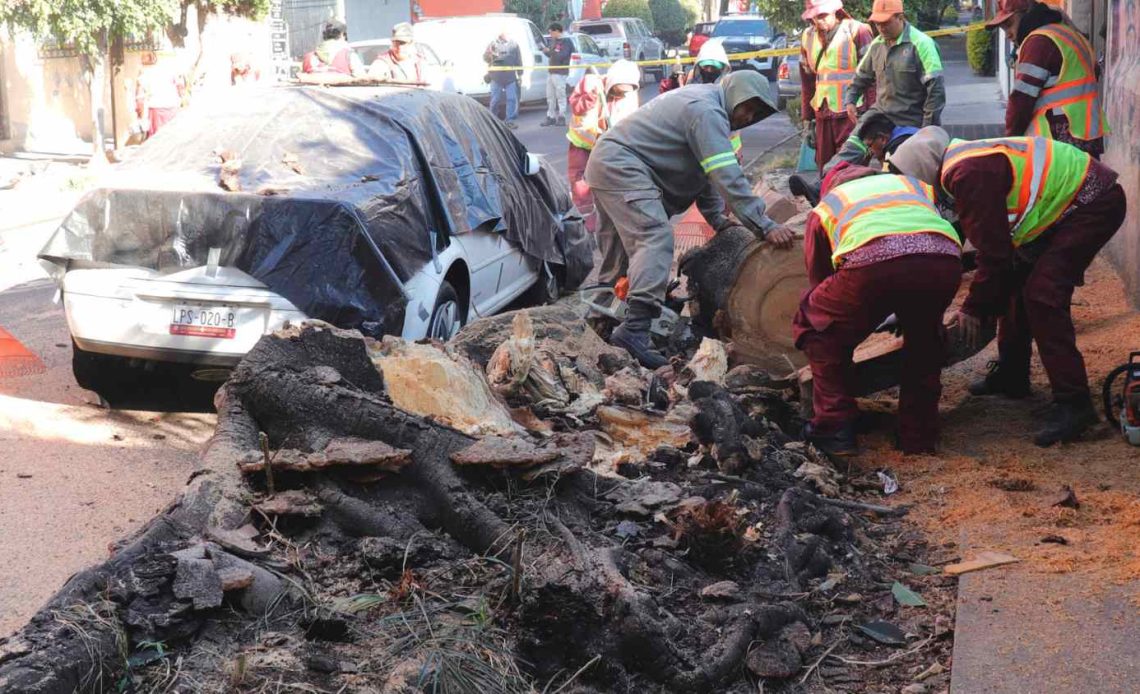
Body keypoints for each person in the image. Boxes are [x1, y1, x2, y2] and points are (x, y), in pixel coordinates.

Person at [889, 127, 1127, 446]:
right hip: (1070, 207)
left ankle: (1075, 404)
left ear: (921, 173)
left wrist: (973, 308)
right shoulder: (963, 164)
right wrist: (920, 301)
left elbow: (994, 255)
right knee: (1015, 287)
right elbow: (973, 248)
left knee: (1043, 296)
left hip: (1091, 204)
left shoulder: (967, 174)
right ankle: (1013, 376)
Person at [585, 71, 795, 368]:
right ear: (734, 94)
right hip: (621, 164)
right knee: (654, 237)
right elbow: (725, 175)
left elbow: (705, 173)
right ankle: (634, 330)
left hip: (607, 163)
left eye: (755, 114)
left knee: (618, 253)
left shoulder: (705, 106)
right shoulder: (707, 111)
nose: (748, 117)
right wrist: (765, 225)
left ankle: (599, 324)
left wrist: (718, 220)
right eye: (747, 107)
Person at [795, 166, 962, 455]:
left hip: (872, 264)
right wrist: (897, 305)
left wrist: (854, 320)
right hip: (944, 260)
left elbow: (820, 281)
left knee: (814, 324)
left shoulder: (828, 205)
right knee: (925, 337)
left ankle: (835, 427)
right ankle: (919, 435)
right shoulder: (910, 184)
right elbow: (921, 242)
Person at [988, 0, 1108, 158]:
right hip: (1085, 137)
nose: (1008, 34)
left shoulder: (1038, 42)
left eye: (1009, 25)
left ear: (1026, 14)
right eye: (1003, 29)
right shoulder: (1067, 34)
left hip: (1060, 142)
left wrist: (1010, 143)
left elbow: (1021, 100)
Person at [799, 0, 876, 172]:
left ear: (835, 10)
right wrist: (808, 119)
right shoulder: (807, 36)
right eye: (814, 17)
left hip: (852, 115)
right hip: (822, 114)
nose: (819, 21)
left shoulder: (858, 31)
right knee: (825, 167)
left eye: (823, 15)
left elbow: (873, 77)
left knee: (850, 169)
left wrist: (871, 115)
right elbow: (807, 81)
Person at [566, 60, 642, 233]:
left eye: (625, 92)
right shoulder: (591, 83)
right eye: (618, 90)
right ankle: (586, 228)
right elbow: (576, 106)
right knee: (581, 187)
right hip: (583, 146)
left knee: (610, 184)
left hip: (609, 147)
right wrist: (591, 97)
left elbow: (631, 123)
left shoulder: (629, 96)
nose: (621, 94)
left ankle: (611, 225)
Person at [845, 0, 945, 128]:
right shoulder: (876, 45)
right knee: (853, 140)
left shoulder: (922, 44)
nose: (881, 28)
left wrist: (927, 128)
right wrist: (850, 100)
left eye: (886, 23)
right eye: (877, 23)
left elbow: (936, 90)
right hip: (881, 117)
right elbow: (861, 76)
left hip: (912, 122)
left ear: (900, 18)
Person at [789, 112, 917, 204]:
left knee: (864, 178)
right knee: (851, 156)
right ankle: (822, 187)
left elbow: (892, 182)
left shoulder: (897, 148)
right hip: (885, 107)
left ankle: (828, 191)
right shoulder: (906, 134)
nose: (871, 152)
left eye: (870, 146)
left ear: (882, 139)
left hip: (919, 193)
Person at [135, 52, 184, 138]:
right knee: (173, 137)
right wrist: (181, 101)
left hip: (156, 110)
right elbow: (180, 87)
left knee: (157, 139)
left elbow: (140, 99)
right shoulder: (169, 69)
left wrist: (140, 116)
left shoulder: (143, 74)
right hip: (172, 107)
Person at [484, 30, 523, 129]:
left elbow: (518, 60)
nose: (505, 35)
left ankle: (509, 121)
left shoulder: (514, 45)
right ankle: (493, 120)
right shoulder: (493, 44)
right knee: (495, 100)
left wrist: (520, 75)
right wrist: (489, 55)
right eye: (503, 33)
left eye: (507, 33)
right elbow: (485, 58)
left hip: (510, 77)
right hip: (496, 77)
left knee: (512, 99)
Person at [542, 23, 573, 126]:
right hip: (551, 71)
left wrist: (552, 52)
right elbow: (551, 55)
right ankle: (550, 116)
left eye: (551, 32)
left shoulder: (566, 41)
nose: (550, 35)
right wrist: (546, 51)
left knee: (560, 95)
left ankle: (561, 116)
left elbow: (563, 55)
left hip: (560, 72)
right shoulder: (553, 41)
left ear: (557, 31)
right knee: (550, 96)